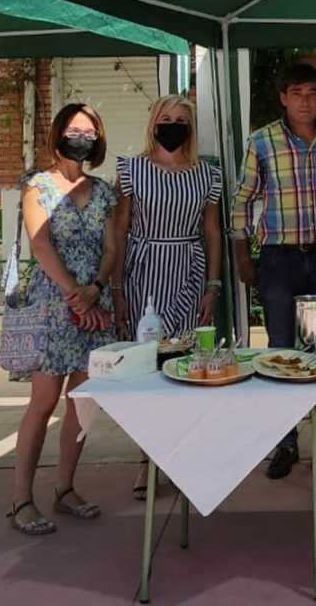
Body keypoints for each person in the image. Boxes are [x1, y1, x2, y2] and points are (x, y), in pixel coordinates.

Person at [231, 64, 316, 481]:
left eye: (313, 92)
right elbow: (242, 200)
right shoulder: (262, 140)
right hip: (278, 259)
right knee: (281, 349)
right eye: (297, 92)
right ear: (283, 97)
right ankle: (285, 444)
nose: (306, 100)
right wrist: (242, 257)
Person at [9, 103, 117, 535]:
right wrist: (77, 295)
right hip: (54, 307)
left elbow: (111, 248)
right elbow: (41, 246)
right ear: (58, 134)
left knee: (82, 402)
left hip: (91, 303)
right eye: (73, 130)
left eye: (89, 132)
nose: (81, 138)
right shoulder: (37, 185)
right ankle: (21, 499)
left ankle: (65, 487)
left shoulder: (103, 190)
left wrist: (97, 287)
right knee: (43, 402)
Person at [112, 95, 223, 500]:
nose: (173, 125)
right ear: (152, 124)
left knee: (185, 366)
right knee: (148, 367)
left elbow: (212, 234)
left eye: (180, 119)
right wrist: (118, 288)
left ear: (191, 127)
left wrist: (213, 285)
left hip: (189, 269)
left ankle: (180, 456)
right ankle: (146, 461)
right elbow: (118, 232)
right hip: (143, 272)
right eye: (166, 118)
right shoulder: (130, 170)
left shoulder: (206, 175)